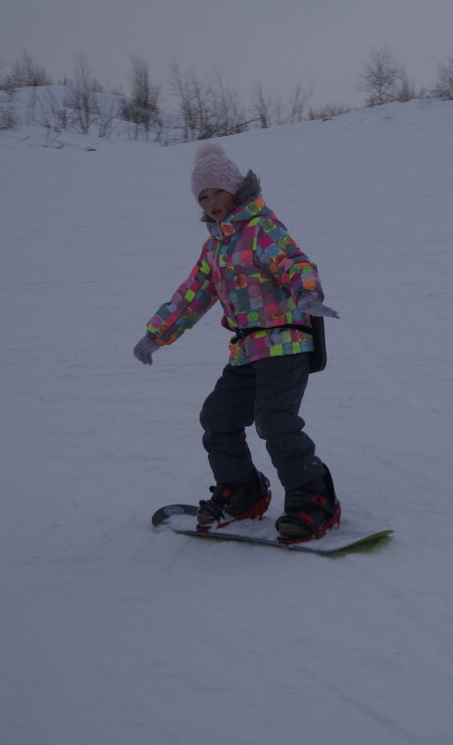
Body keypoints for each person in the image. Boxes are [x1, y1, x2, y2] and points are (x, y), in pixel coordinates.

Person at [133, 143, 341, 542]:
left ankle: (315, 499)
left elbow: (294, 263)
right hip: (246, 350)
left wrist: (307, 293)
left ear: (235, 188)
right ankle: (243, 491)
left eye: (216, 192)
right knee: (218, 419)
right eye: (203, 197)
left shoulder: (262, 228)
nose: (211, 203)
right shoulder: (215, 247)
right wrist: (155, 334)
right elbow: (192, 294)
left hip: (285, 344)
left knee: (275, 422)